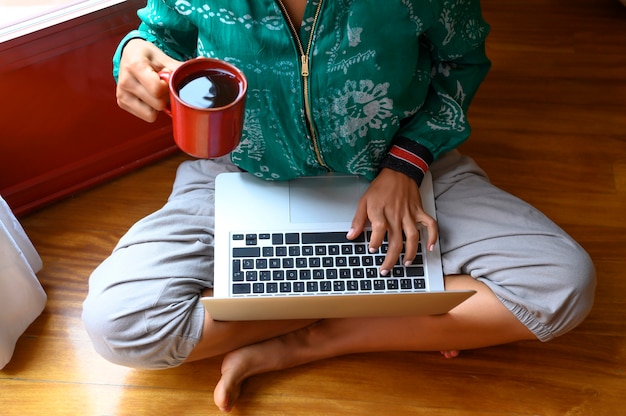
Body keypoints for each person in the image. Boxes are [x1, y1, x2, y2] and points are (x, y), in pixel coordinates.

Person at [82, 0, 596, 412]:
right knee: (118, 326)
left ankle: (317, 339)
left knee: (562, 284)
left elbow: (461, 62)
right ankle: (384, 306)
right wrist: (133, 51)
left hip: (402, 163)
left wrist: (405, 165)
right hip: (240, 171)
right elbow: (160, 34)